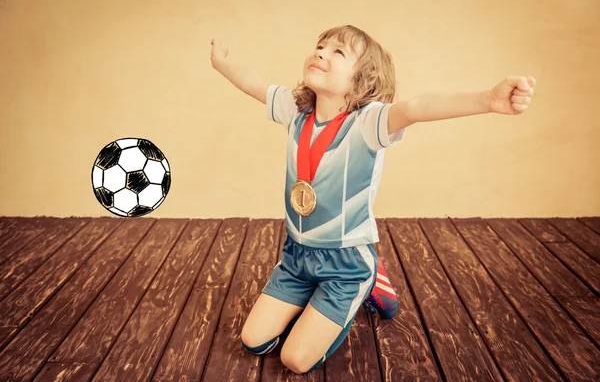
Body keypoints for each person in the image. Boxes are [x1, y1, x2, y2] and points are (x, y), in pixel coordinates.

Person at [210, 25, 535, 374]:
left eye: (338, 52)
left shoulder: (369, 122)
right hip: (296, 257)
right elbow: (253, 83)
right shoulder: (296, 111)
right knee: (254, 341)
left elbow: (419, 106)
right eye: (320, 46)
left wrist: (487, 99)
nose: (321, 52)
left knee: (294, 360)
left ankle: (367, 281)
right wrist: (221, 63)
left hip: (345, 263)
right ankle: (318, 300)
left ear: (362, 79)